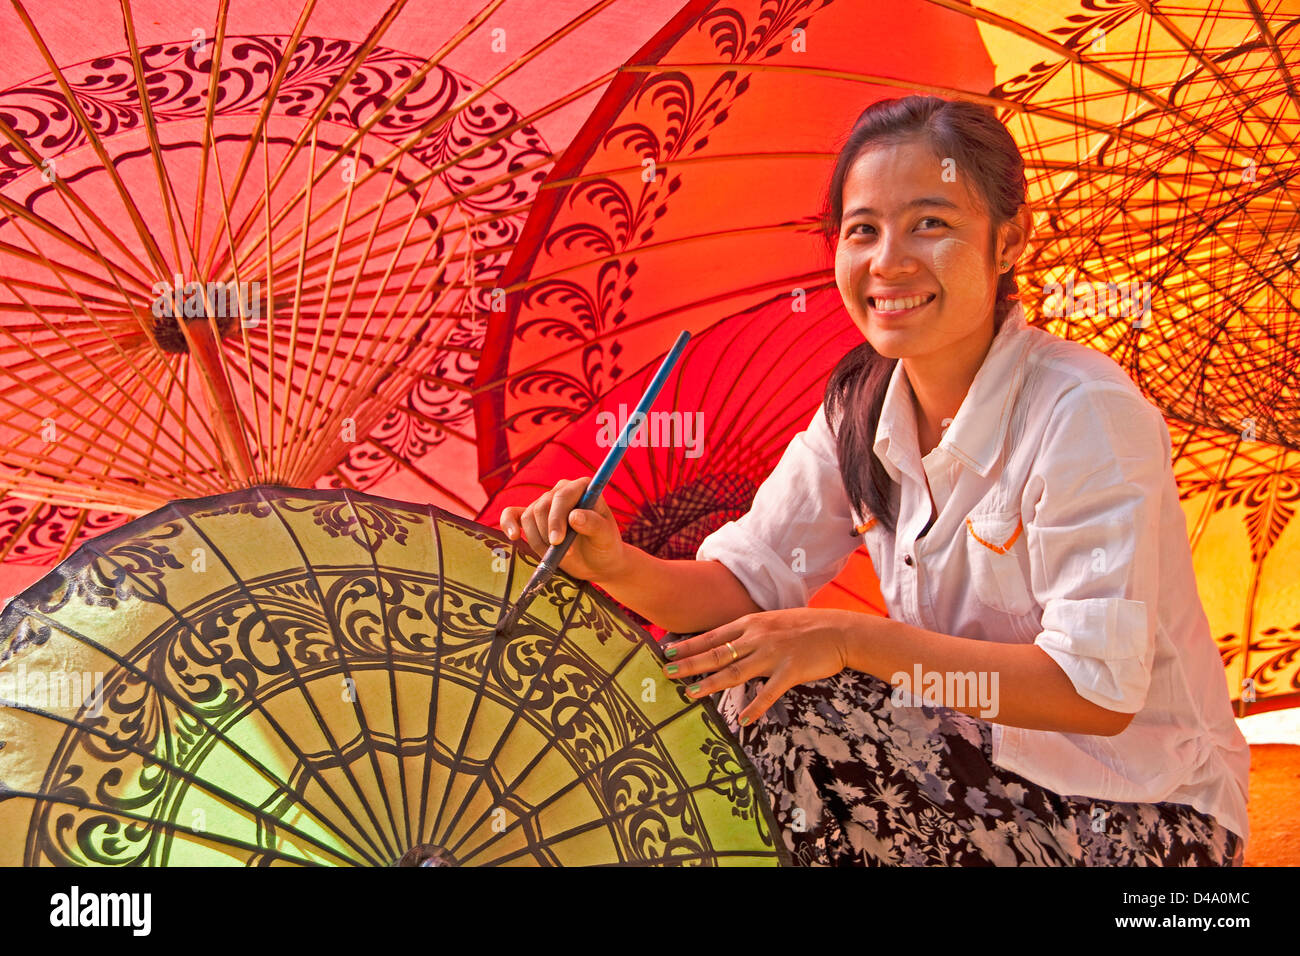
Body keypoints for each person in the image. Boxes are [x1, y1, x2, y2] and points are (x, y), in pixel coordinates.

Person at [498, 95, 1250, 866]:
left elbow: (1093, 692)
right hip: (972, 767)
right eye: (863, 230)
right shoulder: (860, 408)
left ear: (1009, 242)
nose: (888, 261)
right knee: (725, 678)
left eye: (930, 223)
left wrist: (853, 640)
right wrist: (616, 565)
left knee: (786, 707)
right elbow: (744, 582)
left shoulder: (1081, 413)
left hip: (1144, 817)